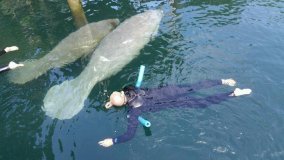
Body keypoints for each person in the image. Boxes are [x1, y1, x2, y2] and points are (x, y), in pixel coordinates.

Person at [98, 78, 252, 147]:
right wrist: (112, 101)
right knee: (193, 87)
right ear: (121, 92)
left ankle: (232, 94)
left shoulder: (133, 112)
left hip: (167, 103)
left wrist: (113, 141)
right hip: (168, 90)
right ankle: (223, 81)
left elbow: (129, 135)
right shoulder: (129, 88)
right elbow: (120, 96)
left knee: (199, 104)